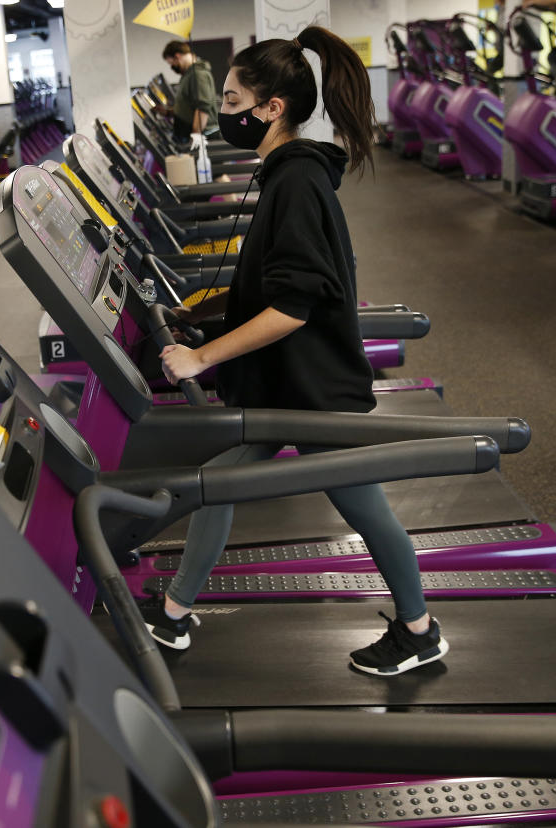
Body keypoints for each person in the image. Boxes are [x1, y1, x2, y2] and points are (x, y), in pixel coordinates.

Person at [143, 26, 448, 676]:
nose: (224, 110)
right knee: (217, 484)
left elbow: (294, 304)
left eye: (231, 99)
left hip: (310, 391)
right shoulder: (283, 175)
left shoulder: (298, 184)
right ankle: (172, 614)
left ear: (270, 108)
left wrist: (203, 358)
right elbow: (268, 286)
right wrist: (201, 321)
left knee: (366, 510)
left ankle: (420, 630)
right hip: (281, 384)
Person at [161, 40, 220, 146]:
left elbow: (202, 108)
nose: (172, 67)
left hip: (203, 135)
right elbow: (188, 106)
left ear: (177, 56)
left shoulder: (197, 74)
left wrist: (195, 137)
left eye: (171, 63)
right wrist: (169, 112)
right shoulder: (188, 75)